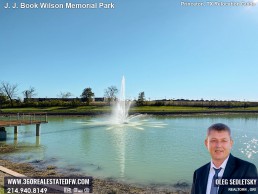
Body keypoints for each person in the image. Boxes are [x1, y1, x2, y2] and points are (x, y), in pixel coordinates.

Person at [191, 123, 258, 194]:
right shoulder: (199, 173)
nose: (219, 145)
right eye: (213, 140)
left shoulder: (247, 169)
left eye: (224, 140)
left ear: (231, 143)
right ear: (206, 143)